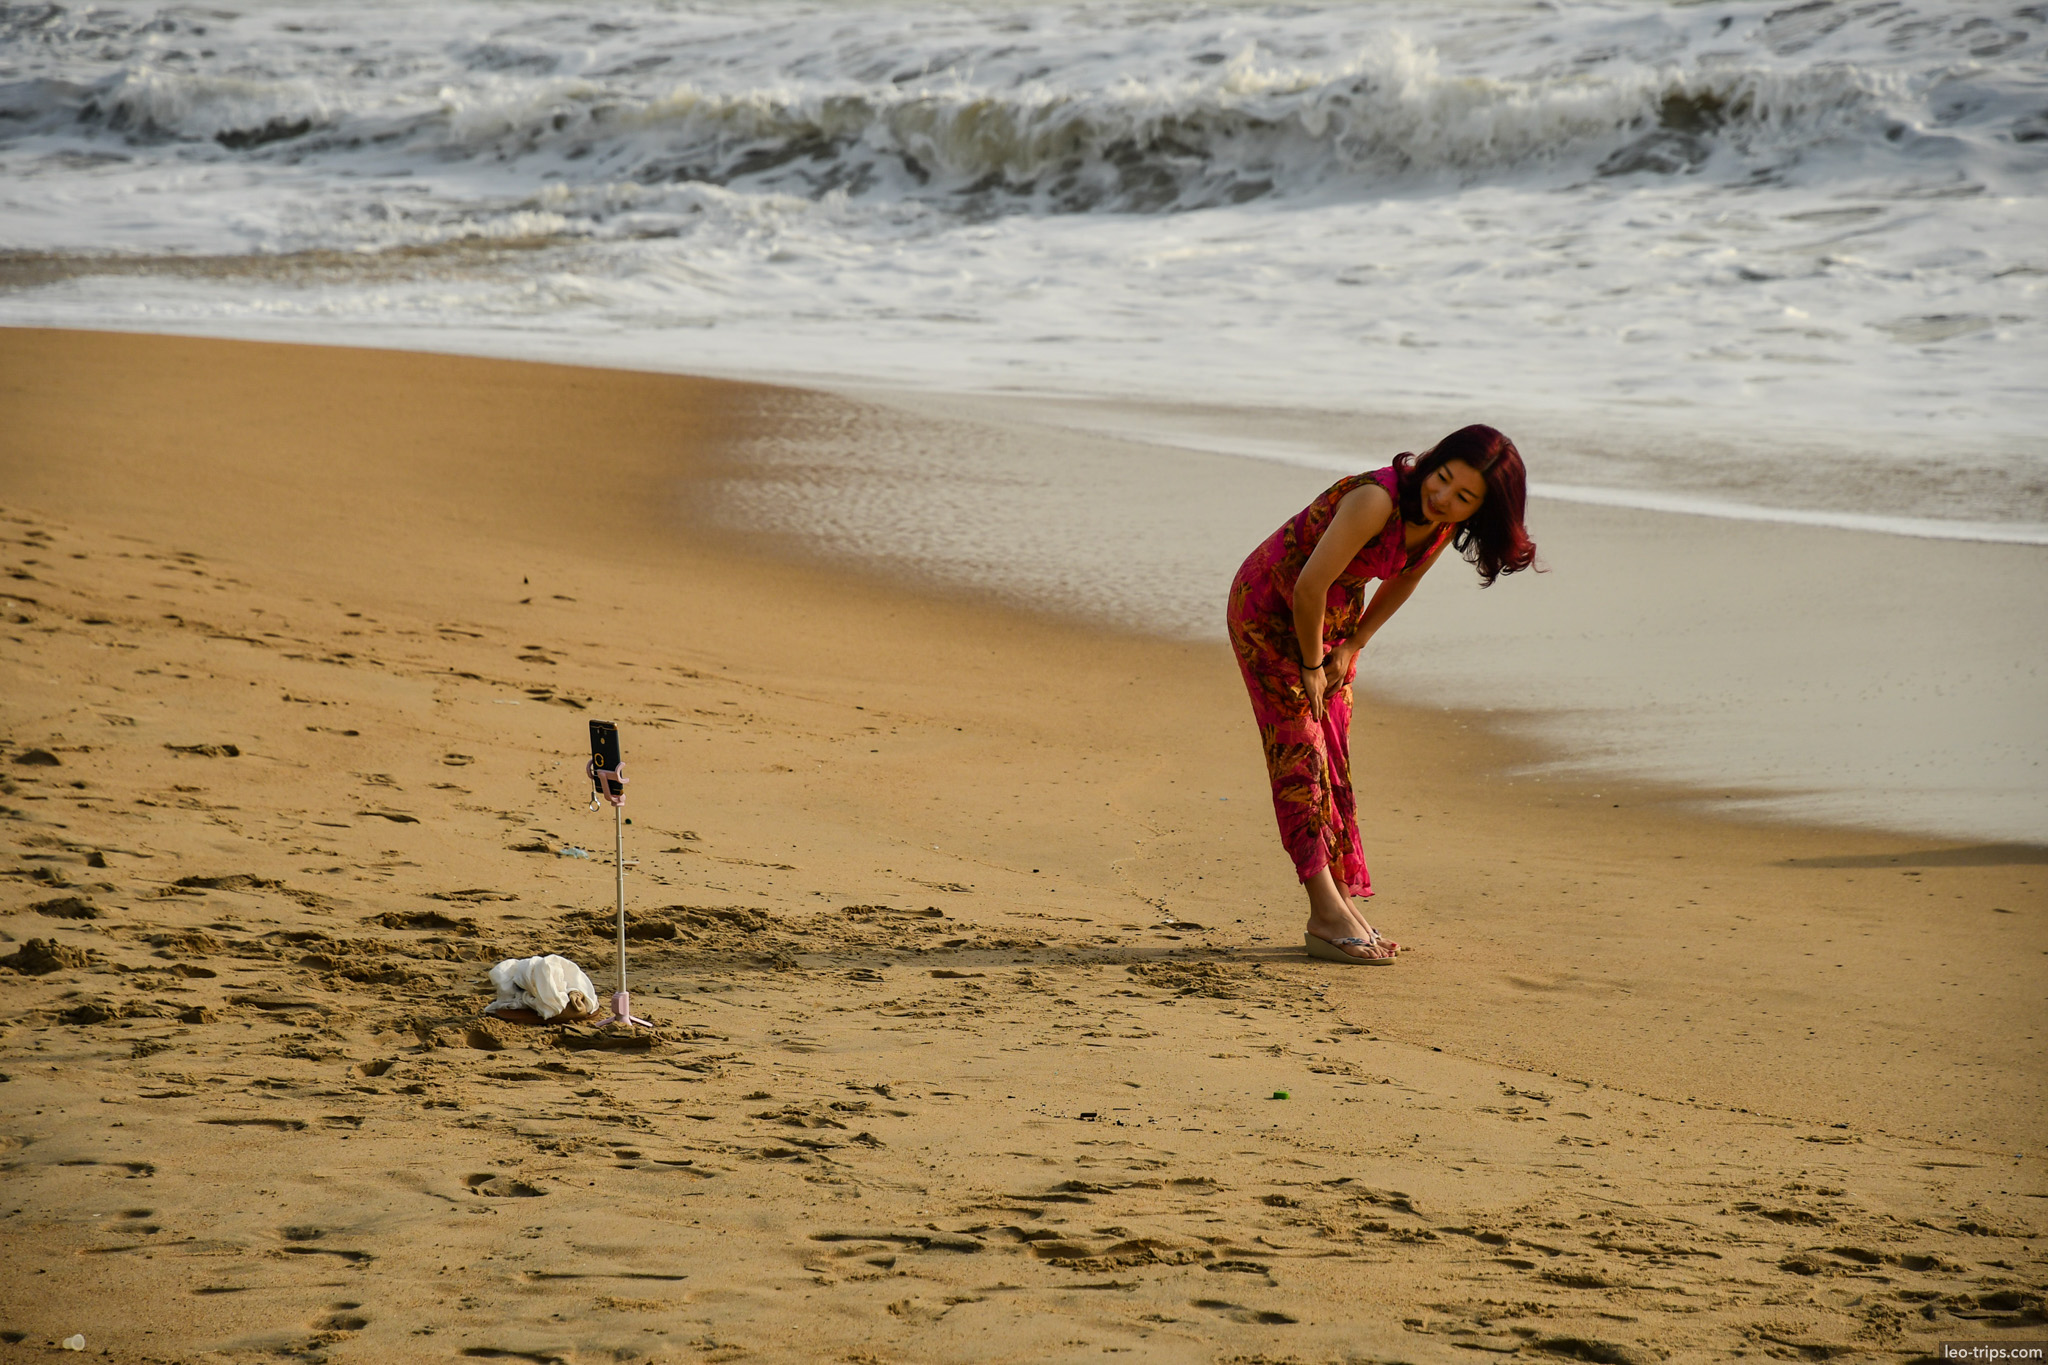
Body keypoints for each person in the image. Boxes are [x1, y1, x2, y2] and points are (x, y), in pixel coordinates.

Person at [1225, 424, 1537, 964]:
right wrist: (1311, 663)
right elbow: (1306, 586)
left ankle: (1341, 903)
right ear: (1433, 462)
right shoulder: (1376, 499)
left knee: (1332, 758)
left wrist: (1354, 644)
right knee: (1300, 754)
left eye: (1464, 497)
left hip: (1330, 622)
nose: (1442, 498)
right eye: (1441, 479)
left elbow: (1404, 579)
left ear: (1480, 510)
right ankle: (1324, 912)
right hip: (1273, 610)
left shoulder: (1440, 525)